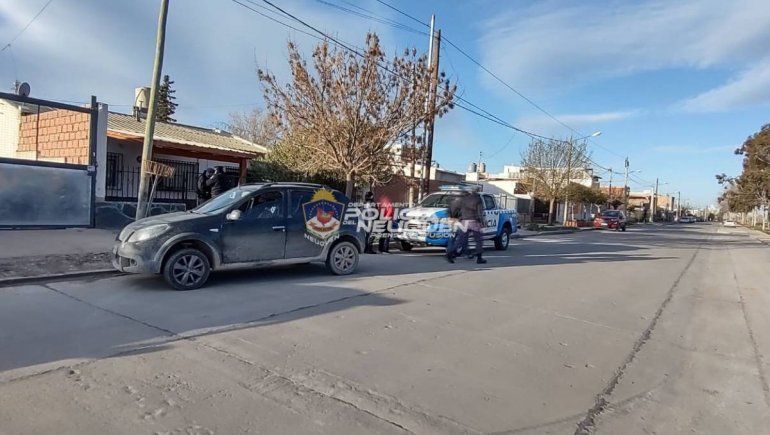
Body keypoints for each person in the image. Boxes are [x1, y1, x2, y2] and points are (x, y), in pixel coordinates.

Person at [447, 190, 487, 264]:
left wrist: (455, 217)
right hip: (474, 221)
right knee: (479, 240)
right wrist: (482, 222)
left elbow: (455, 209)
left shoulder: (463, 200)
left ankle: (450, 252)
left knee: (461, 240)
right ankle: (479, 258)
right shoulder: (478, 199)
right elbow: (479, 212)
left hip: (464, 222)